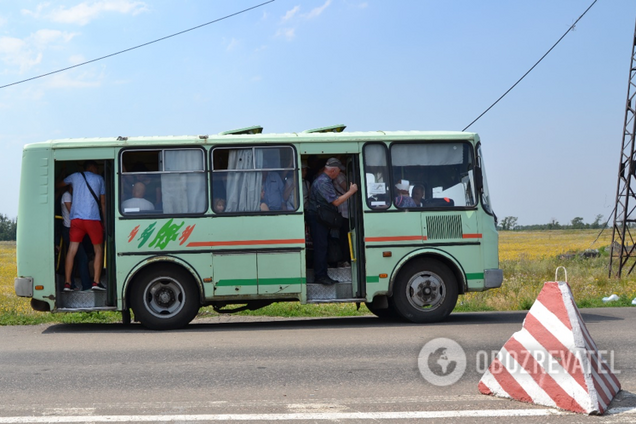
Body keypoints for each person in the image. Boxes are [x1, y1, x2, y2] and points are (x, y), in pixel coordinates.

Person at [307, 158, 358, 285]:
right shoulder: (323, 182)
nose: (339, 173)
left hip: (319, 218)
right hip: (317, 219)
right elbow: (336, 201)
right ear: (333, 171)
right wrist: (351, 192)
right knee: (321, 247)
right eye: (339, 170)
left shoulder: (324, 180)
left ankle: (322, 274)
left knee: (323, 246)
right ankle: (320, 276)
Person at [60, 161, 106, 291]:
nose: (97, 169)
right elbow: (102, 202)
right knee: (98, 250)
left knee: (72, 250)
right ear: (91, 167)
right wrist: (105, 221)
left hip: (76, 220)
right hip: (92, 218)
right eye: (96, 167)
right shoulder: (99, 179)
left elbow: (59, 185)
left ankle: (67, 283)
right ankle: (96, 282)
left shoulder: (74, 176)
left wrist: (60, 176)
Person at [60, 187, 92, 291]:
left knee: (76, 257)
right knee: (83, 258)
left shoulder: (69, 195)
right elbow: (72, 212)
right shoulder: (67, 195)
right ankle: (85, 285)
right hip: (70, 229)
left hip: (71, 229)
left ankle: (71, 284)